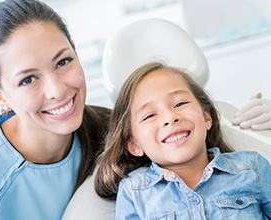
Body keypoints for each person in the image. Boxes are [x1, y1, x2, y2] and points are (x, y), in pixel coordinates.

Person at [0, 0, 110, 219]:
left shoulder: (116, 132)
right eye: (28, 80)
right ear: (0, 96)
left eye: (63, 62)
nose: (57, 90)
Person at [95, 61, 271, 219]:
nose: (170, 117)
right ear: (134, 145)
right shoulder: (134, 192)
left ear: (206, 116)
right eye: (149, 115)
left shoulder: (252, 168)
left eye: (180, 104)